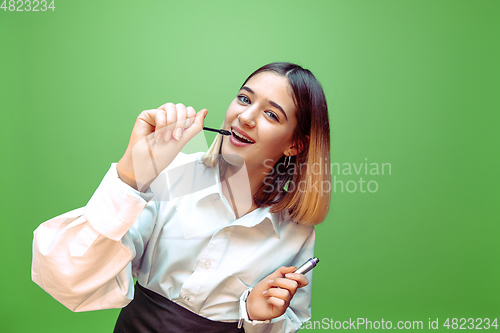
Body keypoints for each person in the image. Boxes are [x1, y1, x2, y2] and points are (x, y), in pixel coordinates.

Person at [32, 62, 331, 333]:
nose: (246, 116)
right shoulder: (175, 175)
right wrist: (131, 175)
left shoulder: (297, 232)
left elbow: (289, 324)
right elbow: (66, 279)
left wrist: (258, 317)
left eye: (271, 114)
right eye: (244, 99)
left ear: (294, 144)